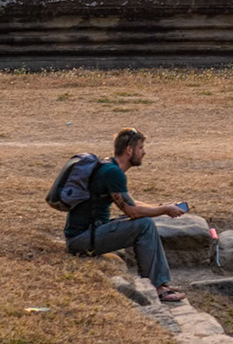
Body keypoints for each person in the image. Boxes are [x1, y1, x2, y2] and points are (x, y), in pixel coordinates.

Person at [66, 128, 188, 303]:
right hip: (82, 240)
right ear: (129, 150)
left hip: (87, 233)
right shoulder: (113, 173)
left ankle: (160, 282)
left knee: (143, 222)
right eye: (141, 147)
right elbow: (132, 211)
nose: (144, 152)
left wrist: (161, 206)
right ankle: (158, 287)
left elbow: (131, 202)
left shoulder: (108, 166)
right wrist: (164, 211)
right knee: (144, 225)